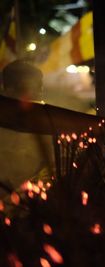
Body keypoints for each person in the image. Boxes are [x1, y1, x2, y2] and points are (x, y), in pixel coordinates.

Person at [0, 60, 53, 190]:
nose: (39, 94)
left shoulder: (41, 119)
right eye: (34, 89)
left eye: (40, 88)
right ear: (10, 90)